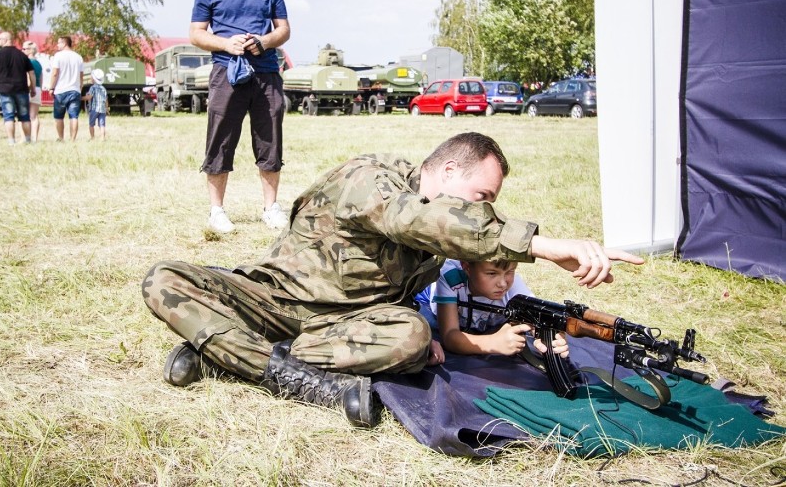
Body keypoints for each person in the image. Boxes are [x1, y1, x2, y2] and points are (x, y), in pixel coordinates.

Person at [142, 132, 644, 428]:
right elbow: (417, 221)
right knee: (163, 278)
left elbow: (464, 259)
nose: (485, 208)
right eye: (482, 195)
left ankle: (225, 356)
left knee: (412, 336)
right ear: (448, 169)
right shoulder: (372, 179)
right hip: (276, 300)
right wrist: (545, 246)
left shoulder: (450, 219)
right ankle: (289, 376)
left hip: (343, 330)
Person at [189, 0, 291, 234]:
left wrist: (264, 41)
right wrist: (226, 43)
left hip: (266, 74)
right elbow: (195, 34)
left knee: (270, 140)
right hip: (226, 74)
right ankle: (217, 212)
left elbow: (284, 29)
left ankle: (271, 208)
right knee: (220, 139)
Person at [414, 258, 568, 360]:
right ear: (466, 266)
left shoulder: (514, 287)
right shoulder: (449, 277)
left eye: (510, 272)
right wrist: (493, 343)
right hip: (427, 305)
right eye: (492, 273)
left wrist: (550, 338)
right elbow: (450, 337)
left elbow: (538, 317)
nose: (502, 283)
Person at [0, 32, 35, 145]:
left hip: (5, 90)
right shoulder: (22, 55)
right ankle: (28, 140)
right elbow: (31, 73)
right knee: (24, 116)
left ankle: (11, 142)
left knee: (8, 116)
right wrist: (33, 88)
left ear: (5, 40)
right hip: (22, 89)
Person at [46, 36, 84, 141]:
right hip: (75, 90)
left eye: (59, 43)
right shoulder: (78, 57)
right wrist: (80, 88)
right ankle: (72, 139)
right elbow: (81, 76)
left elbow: (55, 73)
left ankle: (61, 138)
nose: (57, 45)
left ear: (64, 43)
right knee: (74, 116)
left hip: (60, 90)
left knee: (59, 116)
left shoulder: (58, 56)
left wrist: (51, 87)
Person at [22, 41, 43, 142]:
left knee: (24, 115)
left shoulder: (27, 62)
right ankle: (35, 138)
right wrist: (40, 89)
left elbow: (29, 76)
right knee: (34, 116)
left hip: (29, 88)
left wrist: (30, 88)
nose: (22, 51)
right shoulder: (38, 63)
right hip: (38, 88)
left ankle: (25, 137)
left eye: (24, 49)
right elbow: (41, 77)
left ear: (30, 50)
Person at [83, 68, 109, 140]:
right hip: (102, 109)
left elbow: (89, 97)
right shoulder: (103, 88)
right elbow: (106, 100)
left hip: (94, 109)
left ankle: (92, 137)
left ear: (93, 79)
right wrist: (107, 109)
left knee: (91, 124)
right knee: (102, 124)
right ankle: (102, 137)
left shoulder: (92, 88)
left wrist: (81, 98)